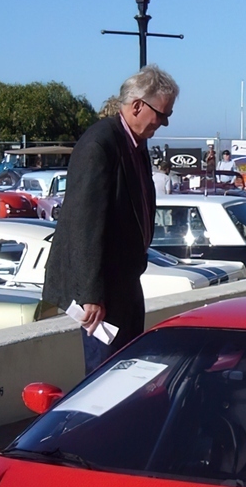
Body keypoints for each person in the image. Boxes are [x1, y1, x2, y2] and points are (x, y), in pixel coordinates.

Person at [42, 66, 178, 374]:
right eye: (162, 113)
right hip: (101, 293)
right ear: (137, 106)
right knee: (104, 377)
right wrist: (91, 294)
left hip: (126, 282)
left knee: (127, 371)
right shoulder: (99, 145)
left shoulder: (136, 146)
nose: (164, 122)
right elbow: (83, 224)